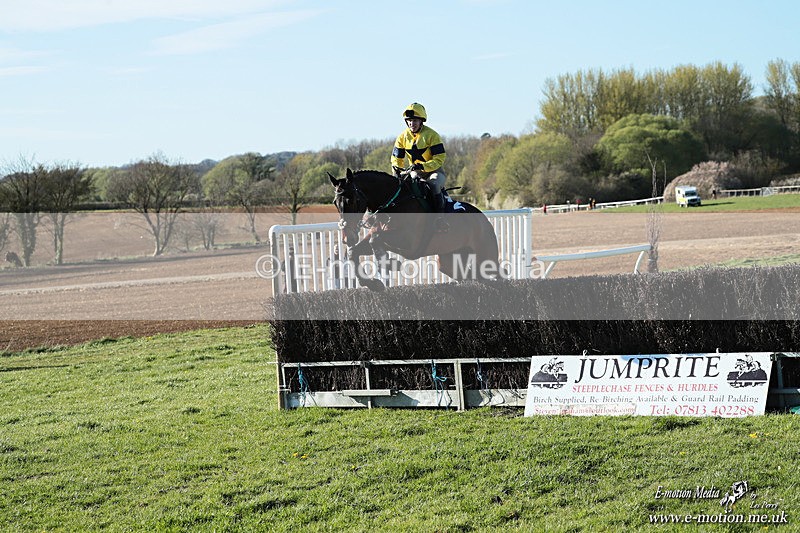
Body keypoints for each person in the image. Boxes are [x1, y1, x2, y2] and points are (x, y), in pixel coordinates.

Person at [391, 103, 448, 215]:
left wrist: (422, 166)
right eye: (409, 121)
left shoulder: (432, 135)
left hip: (434, 172)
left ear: (421, 121)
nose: (412, 124)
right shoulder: (402, 137)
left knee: (434, 185)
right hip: (414, 172)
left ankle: (440, 218)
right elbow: (397, 159)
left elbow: (439, 158)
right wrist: (396, 171)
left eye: (415, 121)